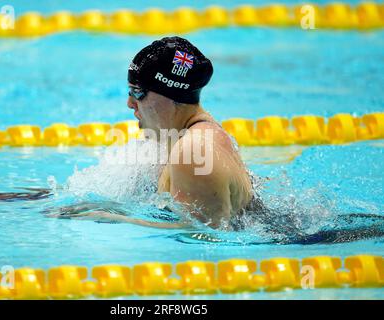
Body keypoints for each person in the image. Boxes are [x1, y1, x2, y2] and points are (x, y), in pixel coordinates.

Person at [67, 36, 256, 230]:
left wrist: (109, 218)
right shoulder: (192, 134)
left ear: (170, 94)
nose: (130, 103)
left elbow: (206, 236)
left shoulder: (192, 150)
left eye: (138, 92)